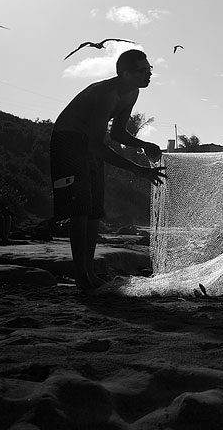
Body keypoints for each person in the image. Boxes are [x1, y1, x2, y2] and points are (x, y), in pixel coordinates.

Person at [50, 48, 166, 290]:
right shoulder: (107, 94)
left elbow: (117, 133)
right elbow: (96, 144)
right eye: (142, 71)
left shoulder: (132, 92)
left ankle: (90, 273)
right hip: (68, 140)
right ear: (125, 73)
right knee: (79, 208)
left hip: (88, 142)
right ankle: (81, 276)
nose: (149, 74)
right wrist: (137, 169)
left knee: (94, 210)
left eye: (149, 69)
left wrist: (144, 144)